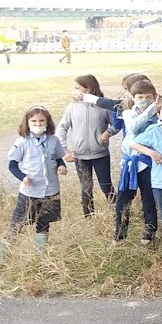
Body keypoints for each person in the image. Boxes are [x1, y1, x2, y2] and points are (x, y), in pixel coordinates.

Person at [0, 106, 68, 257]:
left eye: (42, 120)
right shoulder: (22, 142)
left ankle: (41, 253)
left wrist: (62, 166)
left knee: (44, 221)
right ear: (27, 123)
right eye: (34, 121)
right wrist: (22, 177)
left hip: (50, 189)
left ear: (47, 122)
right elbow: (12, 165)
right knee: (17, 222)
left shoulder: (53, 140)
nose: (38, 124)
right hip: (30, 191)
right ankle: (3, 254)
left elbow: (58, 158)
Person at [57, 74, 115, 217]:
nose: (74, 90)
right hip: (80, 156)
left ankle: (118, 213)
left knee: (106, 186)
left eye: (77, 88)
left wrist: (108, 132)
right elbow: (61, 128)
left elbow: (117, 124)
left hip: (100, 154)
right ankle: (89, 218)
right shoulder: (73, 107)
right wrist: (64, 150)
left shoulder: (103, 105)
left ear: (88, 88)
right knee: (86, 188)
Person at [129, 96, 162, 246]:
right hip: (160, 180)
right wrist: (151, 153)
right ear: (158, 114)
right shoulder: (153, 130)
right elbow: (133, 143)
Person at [113, 78, 160, 243]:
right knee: (123, 199)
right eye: (140, 97)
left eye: (148, 97)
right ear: (133, 98)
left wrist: (155, 110)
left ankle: (149, 233)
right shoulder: (128, 113)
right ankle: (119, 235)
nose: (144, 101)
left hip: (149, 162)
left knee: (149, 199)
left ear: (155, 97)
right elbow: (134, 127)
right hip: (130, 163)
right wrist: (152, 109)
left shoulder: (158, 115)